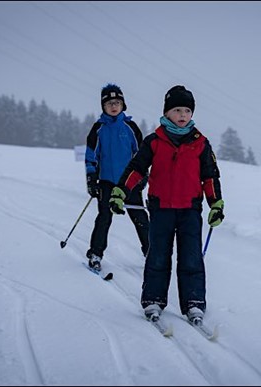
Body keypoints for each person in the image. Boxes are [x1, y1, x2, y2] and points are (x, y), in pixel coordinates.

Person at [109, 85, 224, 324]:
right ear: (166, 113)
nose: (182, 115)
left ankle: (193, 302)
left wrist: (215, 204)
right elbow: (137, 169)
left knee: (191, 258)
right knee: (158, 256)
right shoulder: (154, 141)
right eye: (177, 110)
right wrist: (120, 191)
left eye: (187, 110)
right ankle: (153, 300)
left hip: (190, 210)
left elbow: (210, 176)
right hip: (161, 208)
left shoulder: (201, 143)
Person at [84, 83, 150, 272]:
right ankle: (95, 254)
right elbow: (91, 156)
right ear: (103, 106)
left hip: (129, 183)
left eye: (117, 103)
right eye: (109, 103)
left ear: (123, 105)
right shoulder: (98, 129)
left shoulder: (130, 127)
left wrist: (143, 175)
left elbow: (141, 154)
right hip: (106, 183)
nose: (114, 106)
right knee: (104, 217)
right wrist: (91, 179)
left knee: (140, 218)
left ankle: (152, 253)